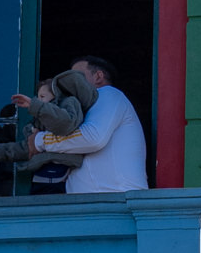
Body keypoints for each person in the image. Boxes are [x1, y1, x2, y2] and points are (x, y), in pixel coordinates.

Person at [14, 54, 148, 193]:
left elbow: (92, 138)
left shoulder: (108, 94)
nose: (72, 82)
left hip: (115, 199)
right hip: (96, 201)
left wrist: (40, 140)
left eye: (78, 76)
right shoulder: (82, 107)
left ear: (98, 77)